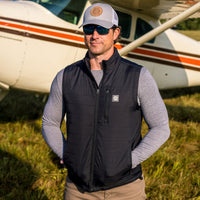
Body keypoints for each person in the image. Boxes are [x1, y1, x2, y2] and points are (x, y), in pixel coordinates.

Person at [42, 3, 170, 200]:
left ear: (115, 33)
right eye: (88, 28)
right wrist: (68, 155)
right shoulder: (65, 77)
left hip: (126, 189)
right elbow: (49, 123)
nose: (95, 35)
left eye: (102, 29)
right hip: (78, 190)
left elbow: (161, 127)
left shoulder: (138, 76)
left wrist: (129, 160)